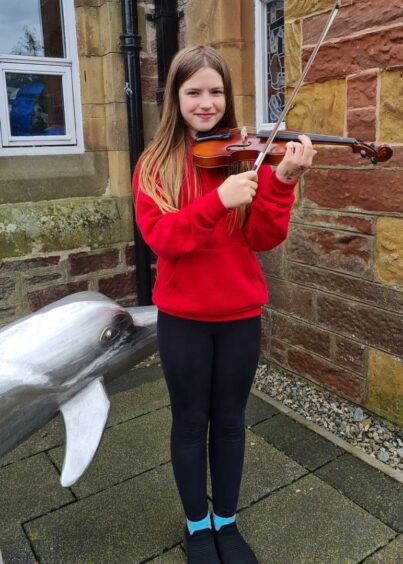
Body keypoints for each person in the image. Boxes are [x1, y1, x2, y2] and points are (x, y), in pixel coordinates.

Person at [133, 45, 316, 564]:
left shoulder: (248, 155)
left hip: (239, 316)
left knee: (231, 420)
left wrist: (280, 183)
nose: (206, 102)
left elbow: (261, 238)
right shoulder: (153, 165)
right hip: (183, 320)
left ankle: (226, 522)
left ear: (228, 98)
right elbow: (162, 238)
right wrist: (217, 201)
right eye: (194, 92)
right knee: (190, 421)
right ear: (176, 97)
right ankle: (197, 526)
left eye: (216, 92)